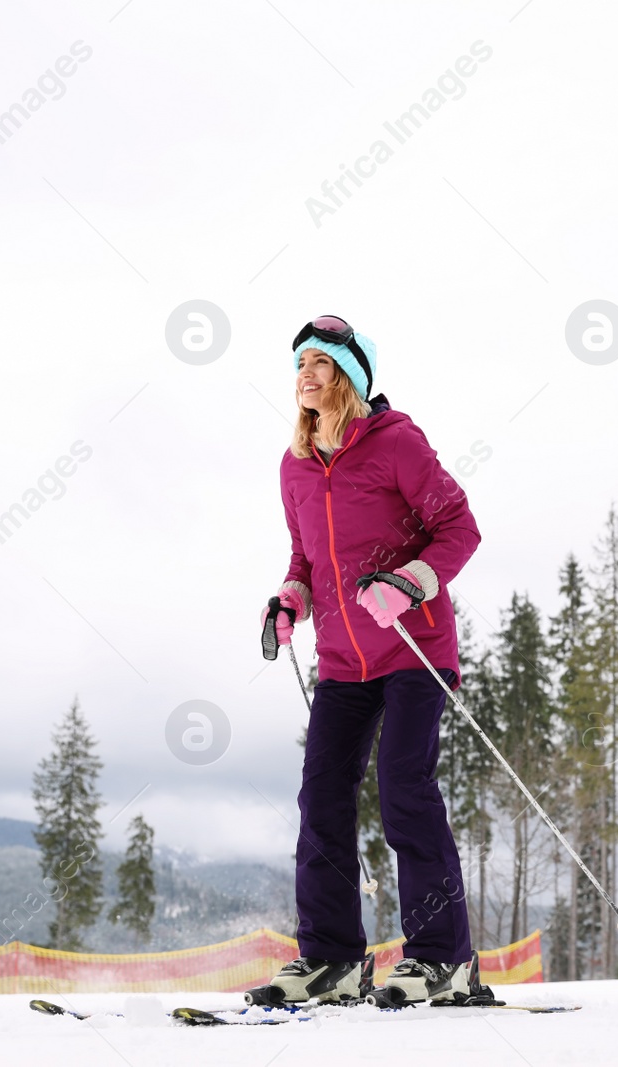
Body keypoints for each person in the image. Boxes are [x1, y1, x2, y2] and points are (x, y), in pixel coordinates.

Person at [253, 315, 481, 1006]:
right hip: (343, 662)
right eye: (301, 362)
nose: (307, 372)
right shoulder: (294, 465)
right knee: (321, 795)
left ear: (351, 375)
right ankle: (331, 958)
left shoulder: (395, 441)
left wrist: (409, 580)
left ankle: (442, 959)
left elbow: (459, 527)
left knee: (403, 789)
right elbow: (306, 558)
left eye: (322, 361)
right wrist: (290, 598)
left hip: (413, 646)